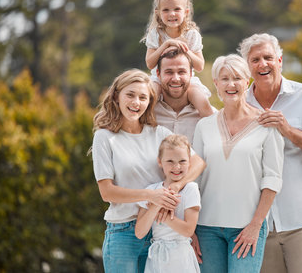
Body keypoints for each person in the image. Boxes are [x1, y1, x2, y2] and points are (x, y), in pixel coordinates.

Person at [238, 33, 302, 273]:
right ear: (247, 66)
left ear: (280, 61)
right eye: (255, 60)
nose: (263, 64)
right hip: (259, 226)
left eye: (268, 57)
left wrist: (288, 131)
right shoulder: (239, 105)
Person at [91, 69, 205, 273]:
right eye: (130, 95)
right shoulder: (105, 137)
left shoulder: (159, 133)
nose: (136, 102)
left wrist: (175, 188)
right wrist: (152, 196)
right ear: (117, 96)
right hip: (123, 232)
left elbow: (197, 163)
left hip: (158, 232)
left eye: (143, 97)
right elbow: (107, 192)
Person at [192, 54, 284, 272]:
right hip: (206, 228)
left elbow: (272, 180)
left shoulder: (266, 125)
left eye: (237, 78)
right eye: (224, 79)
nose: (231, 84)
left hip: (246, 227)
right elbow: (193, 179)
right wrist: (191, 228)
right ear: (215, 83)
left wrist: (255, 225)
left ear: (247, 82)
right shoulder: (203, 126)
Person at [141, 0, 213, 118]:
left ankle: (212, 129)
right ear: (158, 13)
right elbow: (150, 64)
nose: (172, 14)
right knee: (148, 97)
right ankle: (143, 128)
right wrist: (165, 45)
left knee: (201, 100)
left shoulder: (191, 34)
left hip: (186, 79)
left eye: (177, 9)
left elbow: (200, 66)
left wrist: (186, 51)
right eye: (166, 10)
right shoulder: (156, 34)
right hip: (159, 78)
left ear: (185, 12)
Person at [135, 134, 201, 273]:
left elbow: (188, 230)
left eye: (182, 161)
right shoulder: (151, 191)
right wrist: (157, 204)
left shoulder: (190, 189)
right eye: (170, 161)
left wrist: (163, 217)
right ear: (160, 162)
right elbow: (140, 232)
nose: (176, 167)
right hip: (157, 257)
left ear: (189, 161)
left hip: (181, 258)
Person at [154, 48, 216, 144]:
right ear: (158, 74)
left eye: (181, 72)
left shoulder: (209, 115)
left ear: (191, 74)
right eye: (169, 72)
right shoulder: (146, 113)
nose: (175, 78)